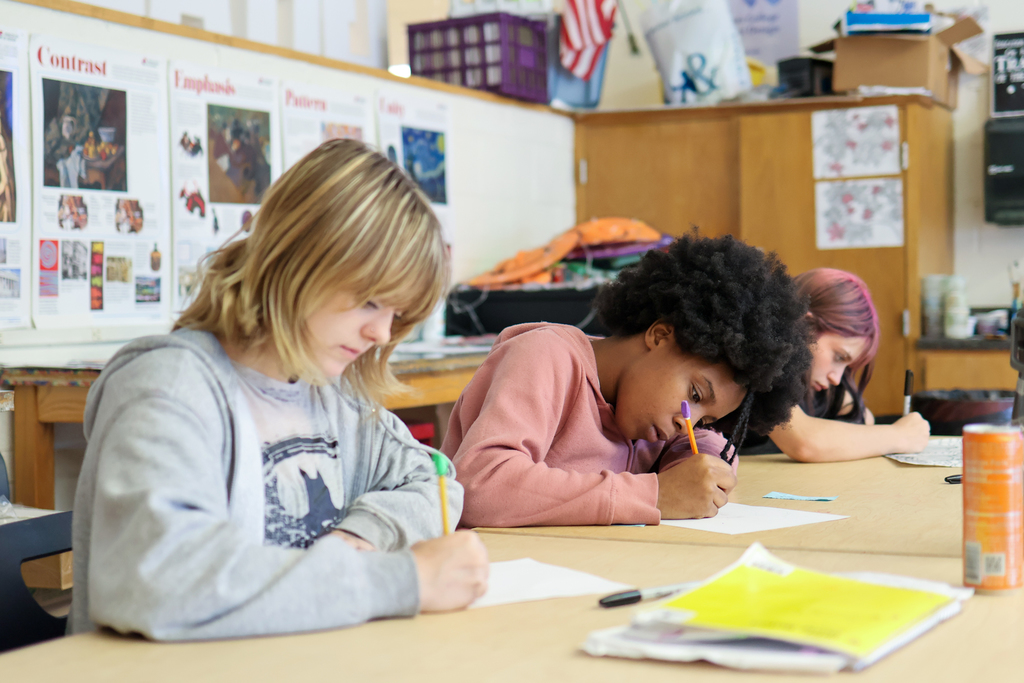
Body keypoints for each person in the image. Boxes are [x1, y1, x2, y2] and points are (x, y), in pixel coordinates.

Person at [70, 139, 489, 641]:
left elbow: (434, 482)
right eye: (371, 301)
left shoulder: (331, 394)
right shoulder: (170, 387)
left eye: (395, 315)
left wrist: (361, 536)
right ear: (298, 262)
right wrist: (405, 579)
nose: (381, 333)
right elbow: (157, 579)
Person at [441, 233, 813, 527]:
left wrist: (706, 469)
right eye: (695, 394)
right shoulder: (546, 356)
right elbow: (479, 487)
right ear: (660, 336)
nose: (686, 423)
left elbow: (701, 443)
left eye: (708, 417)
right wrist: (654, 495)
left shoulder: (651, 413)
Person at [755, 267, 931, 462]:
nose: (836, 379)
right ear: (805, 326)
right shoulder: (758, 361)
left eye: (846, 367)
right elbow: (806, 443)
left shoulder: (816, 386)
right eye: (839, 357)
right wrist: (900, 435)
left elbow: (864, 421)